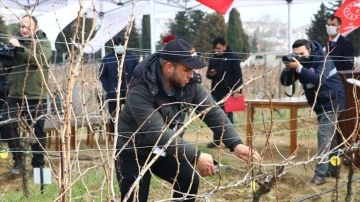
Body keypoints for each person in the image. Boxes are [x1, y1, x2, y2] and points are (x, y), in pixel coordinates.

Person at [115, 38, 261, 201]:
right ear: (169, 67)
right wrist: (195, 156)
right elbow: (157, 132)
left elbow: (212, 112)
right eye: (187, 69)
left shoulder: (189, 84)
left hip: (166, 149)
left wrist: (235, 143)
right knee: (133, 197)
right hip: (133, 150)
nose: (192, 75)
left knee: (189, 180)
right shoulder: (140, 90)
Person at [280, 39, 345, 185]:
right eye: (296, 54)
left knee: (323, 136)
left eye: (302, 53)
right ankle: (333, 170)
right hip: (320, 104)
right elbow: (285, 82)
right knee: (330, 139)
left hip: (333, 101)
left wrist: (299, 68)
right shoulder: (300, 63)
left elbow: (318, 79)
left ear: (310, 50)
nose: (300, 57)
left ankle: (320, 176)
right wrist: (288, 68)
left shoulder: (323, 59)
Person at [0, 15, 52, 175]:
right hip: (15, 94)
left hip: (35, 95)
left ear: (36, 27)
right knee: (6, 124)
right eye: (22, 26)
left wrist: (18, 48)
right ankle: (18, 160)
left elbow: (40, 59)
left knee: (38, 131)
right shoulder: (16, 41)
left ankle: (38, 168)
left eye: (27, 27)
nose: (23, 30)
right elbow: (8, 67)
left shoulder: (43, 42)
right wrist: (5, 53)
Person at [205, 36, 243, 148]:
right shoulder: (214, 59)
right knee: (215, 116)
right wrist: (210, 74)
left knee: (228, 117)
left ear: (225, 46)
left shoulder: (233, 58)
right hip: (216, 92)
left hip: (230, 92)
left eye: (219, 48)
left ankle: (232, 141)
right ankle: (217, 140)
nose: (217, 51)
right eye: (215, 49)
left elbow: (238, 76)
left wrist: (238, 91)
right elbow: (208, 74)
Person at [99, 35, 139, 135]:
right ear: (113, 45)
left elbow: (137, 74)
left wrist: (133, 87)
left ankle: (129, 135)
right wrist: (108, 88)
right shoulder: (107, 59)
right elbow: (102, 76)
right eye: (117, 44)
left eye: (122, 44)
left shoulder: (132, 58)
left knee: (130, 115)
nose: (120, 46)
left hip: (129, 93)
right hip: (113, 93)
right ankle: (114, 136)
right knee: (114, 116)